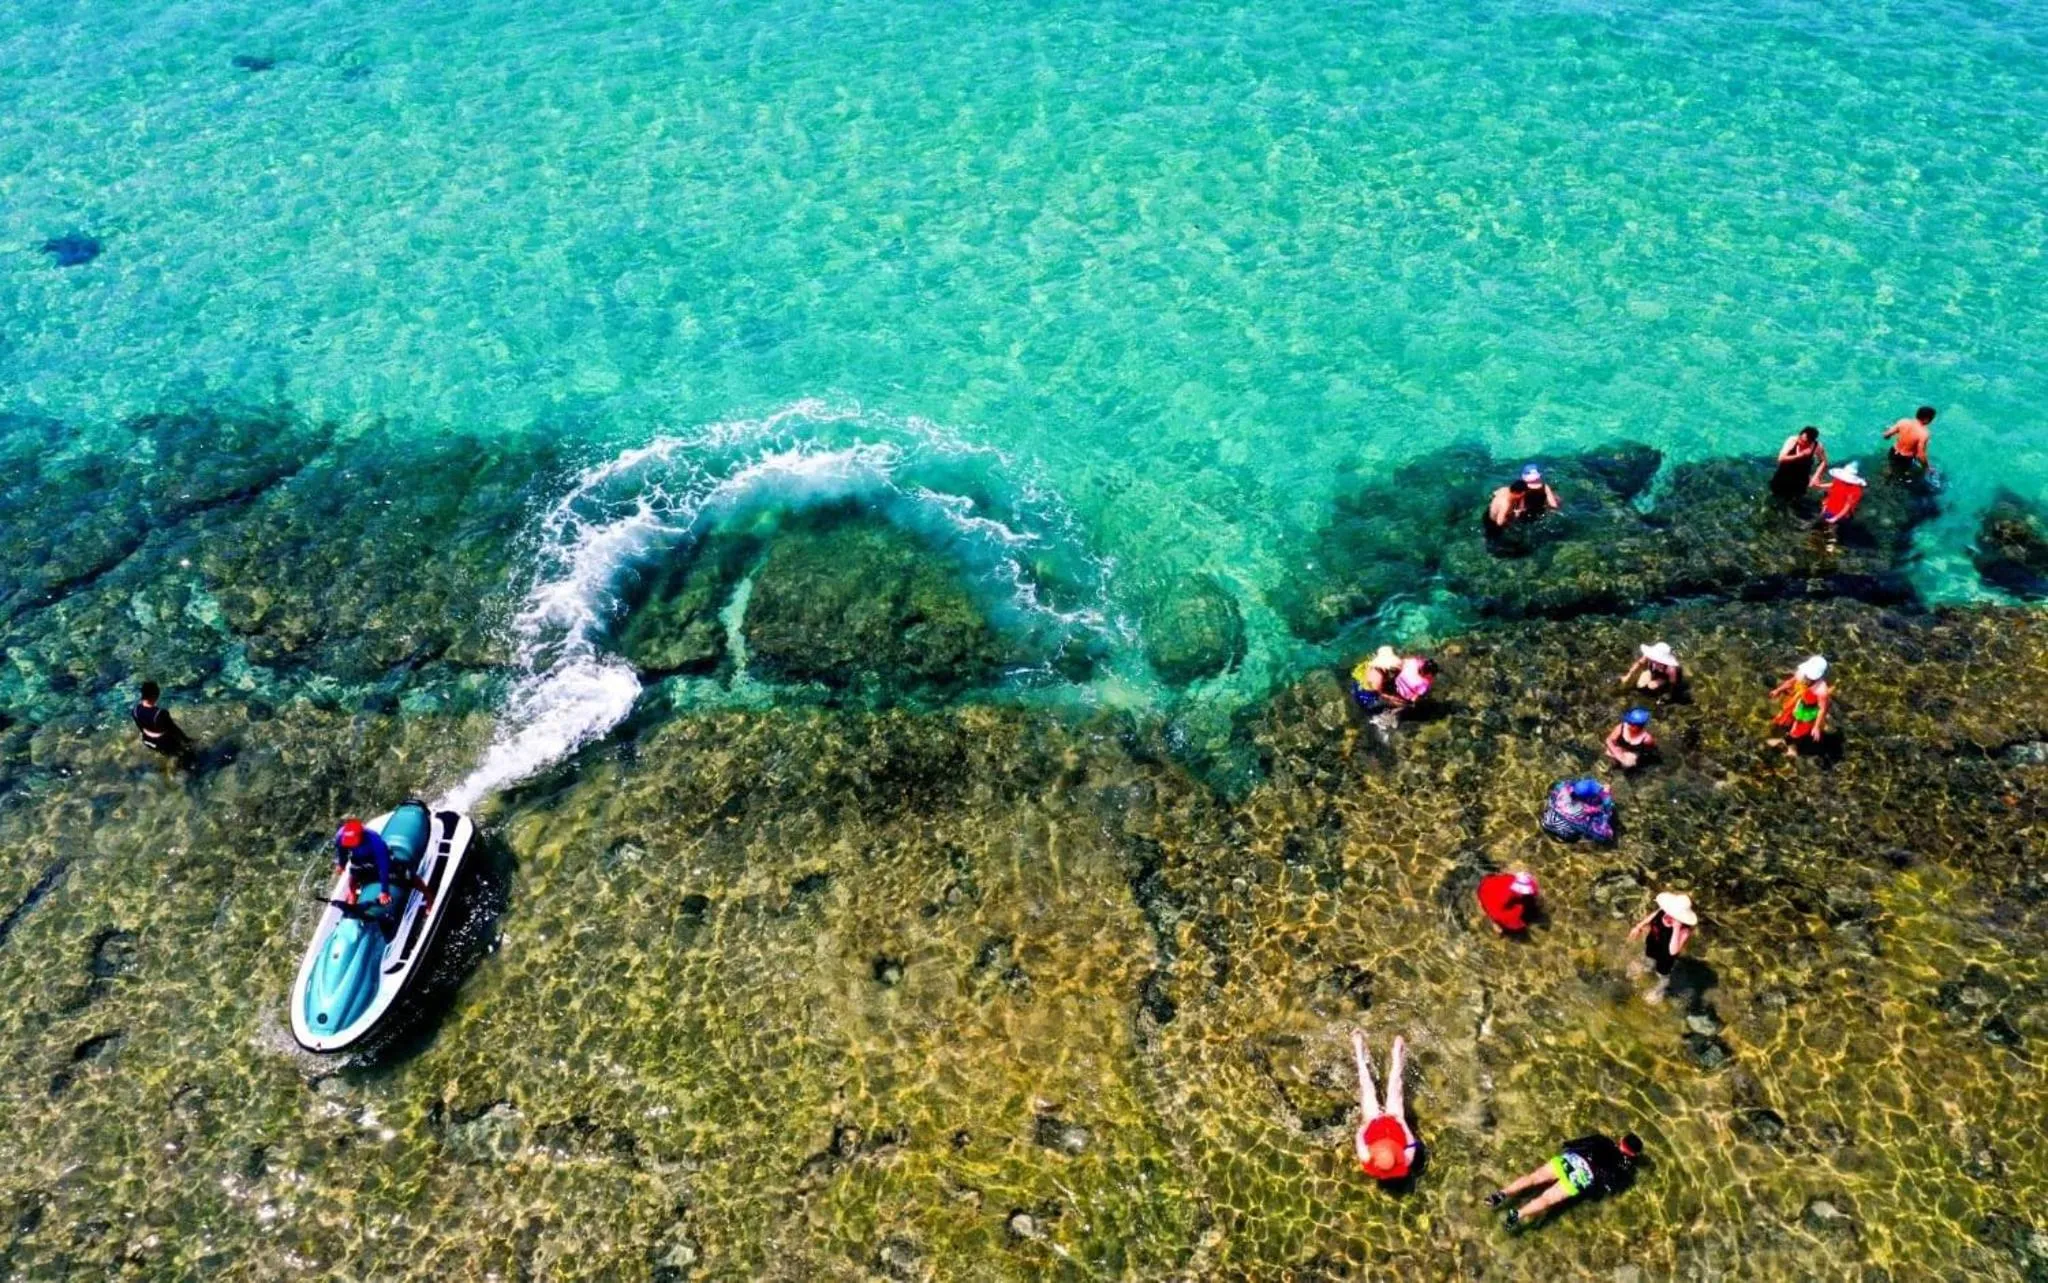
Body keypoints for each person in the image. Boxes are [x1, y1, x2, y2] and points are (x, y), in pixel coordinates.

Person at [1485, 1132, 1643, 1229]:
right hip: (1583, 1175)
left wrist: (1568, 1147)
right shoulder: (1622, 1167)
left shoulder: (1601, 1139)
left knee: (1534, 1178)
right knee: (1546, 1199)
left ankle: (1501, 1194)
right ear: (1633, 1154)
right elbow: (1609, 1186)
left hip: (1572, 1159)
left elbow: (1574, 1144)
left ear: (1622, 1139)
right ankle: (1518, 1214)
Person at [1351, 1030, 1419, 1183]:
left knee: (1367, 1089)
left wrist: (1366, 1123)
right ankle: (1396, 1056)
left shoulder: (1365, 1156)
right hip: (1395, 1124)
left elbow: (1359, 1137)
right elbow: (1410, 1140)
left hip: (1372, 1123)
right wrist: (1400, 1121)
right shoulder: (1407, 1158)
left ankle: (1359, 1051)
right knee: (1395, 1088)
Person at [1628, 892, 1697, 1002]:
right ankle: (1646, 966)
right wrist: (1638, 927)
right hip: (1652, 944)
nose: (1668, 916)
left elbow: (1672, 951)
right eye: (1669, 912)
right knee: (1648, 959)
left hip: (1665, 957)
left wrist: (1676, 928)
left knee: (1662, 974)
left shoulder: (1684, 930)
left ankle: (1659, 989)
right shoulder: (1661, 912)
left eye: (1674, 916)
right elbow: (1650, 918)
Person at [1767, 654, 1832, 756]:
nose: (1806, 679)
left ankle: (1792, 746)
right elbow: (1790, 682)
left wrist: (1816, 726)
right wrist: (1778, 690)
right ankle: (1789, 739)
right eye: (1807, 675)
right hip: (1800, 700)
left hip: (1809, 709)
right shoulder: (1802, 674)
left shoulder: (1821, 690)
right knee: (1785, 719)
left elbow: (1821, 709)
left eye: (1810, 678)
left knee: (1797, 730)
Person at [1349, 647, 1436, 717]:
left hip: (1364, 677)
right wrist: (1392, 698)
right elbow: (1379, 692)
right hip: (1367, 692)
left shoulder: (1376, 665)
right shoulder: (1377, 679)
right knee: (1369, 705)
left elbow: (1404, 664)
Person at [334, 818, 394, 909]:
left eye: (353, 841)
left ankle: (424, 892)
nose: (352, 844)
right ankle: (352, 895)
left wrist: (384, 891)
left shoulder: (374, 840)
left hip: (375, 858)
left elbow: (384, 866)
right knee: (353, 873)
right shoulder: (340, 836)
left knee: (403, 872)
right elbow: (342, 851)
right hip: (360, 858)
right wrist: (341, 864)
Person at [1485, 465, 1561, 534]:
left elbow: (1518, 508)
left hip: (1523, 515)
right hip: (1539, 512)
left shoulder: (1519, 490)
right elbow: (1553, 505)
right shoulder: (1545, 487)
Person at [1541, 777, 1613, 843]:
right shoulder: (1584, 810)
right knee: (1606, 835)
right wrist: (1606, 796)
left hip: (1546, 822)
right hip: (1565, 834)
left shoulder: (1563, 790)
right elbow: (1605, 832)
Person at [131, 681, 188, 761]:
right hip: (163, 742)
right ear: (156, 695)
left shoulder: (135, 711)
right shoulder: (160, 714)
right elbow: (175, 730)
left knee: (166, 755)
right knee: (186, 756)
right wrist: (187, 741)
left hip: (148, 741)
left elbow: (141, 728)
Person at [1771, 426, 1828, 501]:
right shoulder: (1792, 440)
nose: (1800, 442)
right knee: (1776, 495)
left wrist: (1816, 476)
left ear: (1811, 442)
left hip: (1801, 477)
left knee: (1797, 498)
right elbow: (1781, 458)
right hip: (1784, 473)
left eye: (1804, 442)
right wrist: (1800, 455)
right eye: (1800, 438)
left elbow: (1824, 462)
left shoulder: (1817, 446)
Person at [1881, 405, 1935, 473]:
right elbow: (1920, 455)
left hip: (1893, 451)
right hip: (1905, 459)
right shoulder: (1924, 433)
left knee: (1890, 467)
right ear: (1927, 419)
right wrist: (1927, 468)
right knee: (1901, 473)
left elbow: (1886, 435)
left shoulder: (1903, 421)